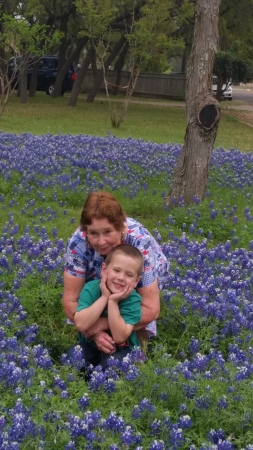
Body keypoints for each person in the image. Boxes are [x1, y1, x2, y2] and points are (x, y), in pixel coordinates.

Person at [63, 191, 168, 355]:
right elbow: (70, 301)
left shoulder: (140, 243)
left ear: (120, 227)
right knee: (92, 302)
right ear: (85, 231)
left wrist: (102, 324)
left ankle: (136, 356)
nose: (101, 241)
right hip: (95, 277)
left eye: (107, 232)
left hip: (135, 271)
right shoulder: (79, 243)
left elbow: (151, 308)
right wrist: (94, 333)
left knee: (133, 351)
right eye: (93, 233)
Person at [73, 244, 143, 368]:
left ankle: (103, 384)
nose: (121, 278)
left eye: (129, 275)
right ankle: (81, 385)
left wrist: (113, 302)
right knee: (73, 355)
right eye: (116, 270)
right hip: (90, 345)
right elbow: (81, 324)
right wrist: (104, 297)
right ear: (104, 270)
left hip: (121, 350)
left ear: (136, 281)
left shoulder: (133, 299)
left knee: (115, 365)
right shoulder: (91, 288)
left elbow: (119, 337)